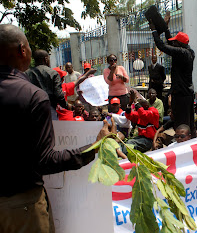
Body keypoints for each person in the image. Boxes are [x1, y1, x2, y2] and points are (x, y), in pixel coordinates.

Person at [0, 24, 113, 233]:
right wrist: (96, 146)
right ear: (22, 50)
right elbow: (45, 161)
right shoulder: (32, 96)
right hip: (22, 209)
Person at [149, 12, 195, 136]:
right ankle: (190, 141)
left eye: (175, 42)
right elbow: (170, 43)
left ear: (179, 45)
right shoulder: (188, 51)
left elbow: (162, 45)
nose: (173, 43)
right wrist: (165, 27)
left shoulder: (182, 53)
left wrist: (154, 30)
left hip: (181, 96)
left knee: (182, 124)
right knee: (189, 123)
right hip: (186, 95)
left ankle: (182, 144)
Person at [26, 49, 70, 120]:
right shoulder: (53, 73)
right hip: (49, 109)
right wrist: (67, 106)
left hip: (32, 110)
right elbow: (58, 94)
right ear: (46, 59)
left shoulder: (27, 73)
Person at [120, 90, 159, 155]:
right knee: (124, 143)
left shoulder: (153, 112)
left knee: (130, 143)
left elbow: (144, 114)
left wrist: (135, 101)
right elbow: (128, 115)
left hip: (150, 140)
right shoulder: (139, 114)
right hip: (141, 138)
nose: (137, 109)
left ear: (145, 106)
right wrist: (130, 103)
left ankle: (124, 159)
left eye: (138, 107)